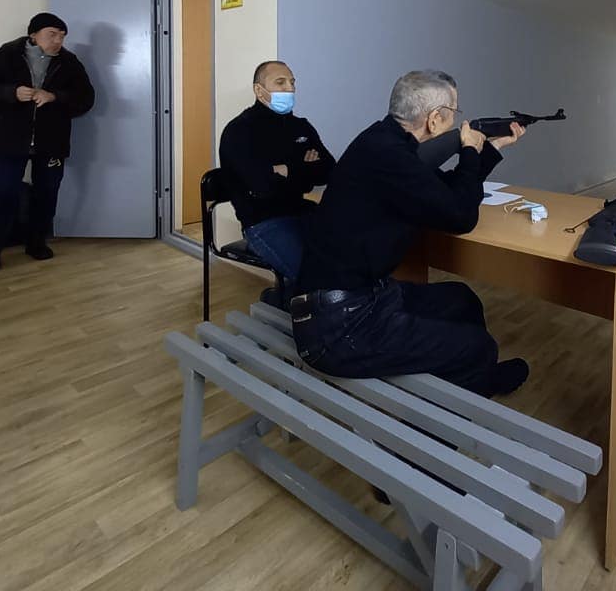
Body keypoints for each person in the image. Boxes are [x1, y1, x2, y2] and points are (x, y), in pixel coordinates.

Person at [293, 69, 529, 398]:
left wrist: (490, 149)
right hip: (338, 329)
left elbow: (441, 191)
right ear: (434, 119)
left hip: (361, 298)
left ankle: (476, 378)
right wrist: (469, 152)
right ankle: (443, 418)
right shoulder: (391, 156)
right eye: (453, 111)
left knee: (462, 300)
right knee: (477, 346)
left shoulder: (382, 143)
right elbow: (461, 216)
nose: (455, 119)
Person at [0, 12, 95, 273]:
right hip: (9, 141)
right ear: (33, 35)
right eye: (52, 35)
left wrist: (55, 96)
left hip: (52, 143)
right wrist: (11, 93)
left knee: (47, 193)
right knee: (4, 193)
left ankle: (36, 243)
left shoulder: (69, 62)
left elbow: (86, 98)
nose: (58, 41)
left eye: (62, 36)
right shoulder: (5, 56)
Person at [219, 60, 335, 307]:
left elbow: (328, 171)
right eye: (280, 82)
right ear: (259, 90)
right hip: (264, 222)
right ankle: (280, 302)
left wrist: (286, 169)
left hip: (303, 211)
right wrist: (303, 168)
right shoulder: (239, 131)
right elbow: (261, 187)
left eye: (292, 82)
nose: (289, 88)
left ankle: (284, 300)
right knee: (317, 277)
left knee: (347, 256)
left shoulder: (301, 126)